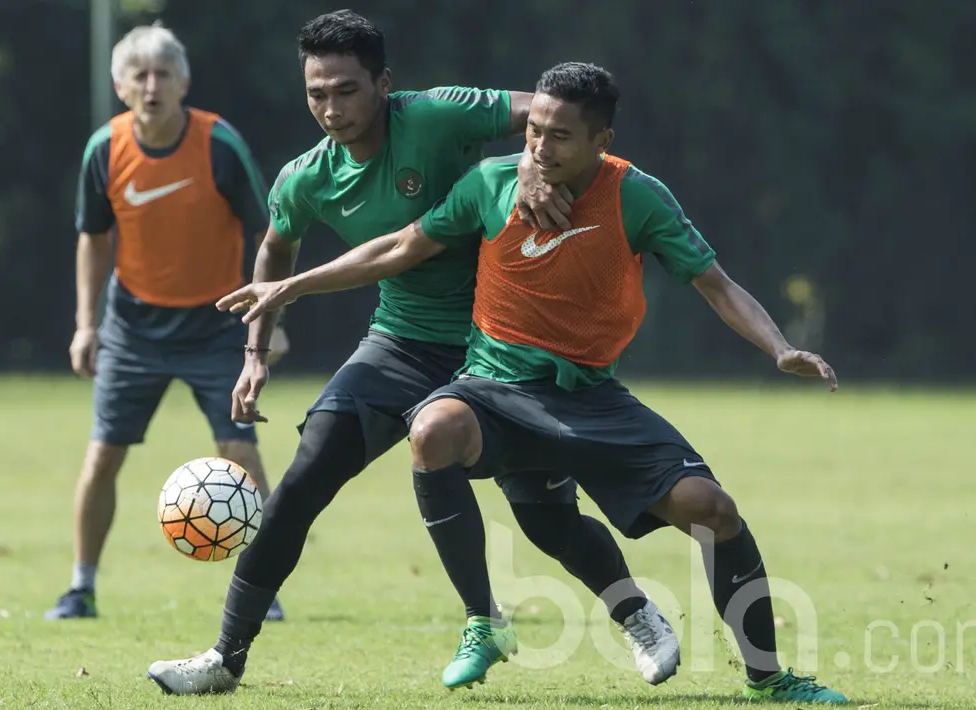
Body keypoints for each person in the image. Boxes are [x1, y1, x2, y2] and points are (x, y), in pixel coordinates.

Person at [218, 62, 850, 705]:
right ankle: (480, 623)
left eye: (560, 137)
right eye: (534, 134)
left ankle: (770, 678)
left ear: (602, 142)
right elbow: (398, 248)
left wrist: (780, 347)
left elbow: (716, 284)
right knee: (432, 429)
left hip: (590, 397)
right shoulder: (488, 183)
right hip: (492, 389)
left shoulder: (638, 196)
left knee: (710, 511)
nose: (541, 148)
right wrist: (290, 287)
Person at [146, 11, 681, 695]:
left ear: (384, 84)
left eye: (346, 90)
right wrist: (255, 350)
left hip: (502, 352)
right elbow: (276, 249)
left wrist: (527, 165)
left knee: (546, 519)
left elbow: (544, 113)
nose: (330, 109)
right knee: (301, 483)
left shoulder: (437, 115)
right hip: (399, 343)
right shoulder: (305, 177)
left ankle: (635, 614)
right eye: (316, 94)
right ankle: (225, 657)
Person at [45, 23, 284, 623]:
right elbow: (92, 239)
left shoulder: (218, 145)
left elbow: (271, 233)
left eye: (163, 74)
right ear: (121, 86)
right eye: (139, 75)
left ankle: (263, 588)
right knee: (103, 456)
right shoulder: (104, 149)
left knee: (240, 452)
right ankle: (81, 587)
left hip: (216, 325)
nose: (151, 85)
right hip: (132, 327)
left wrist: (267, 319)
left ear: (184, 83)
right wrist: (85, 324)